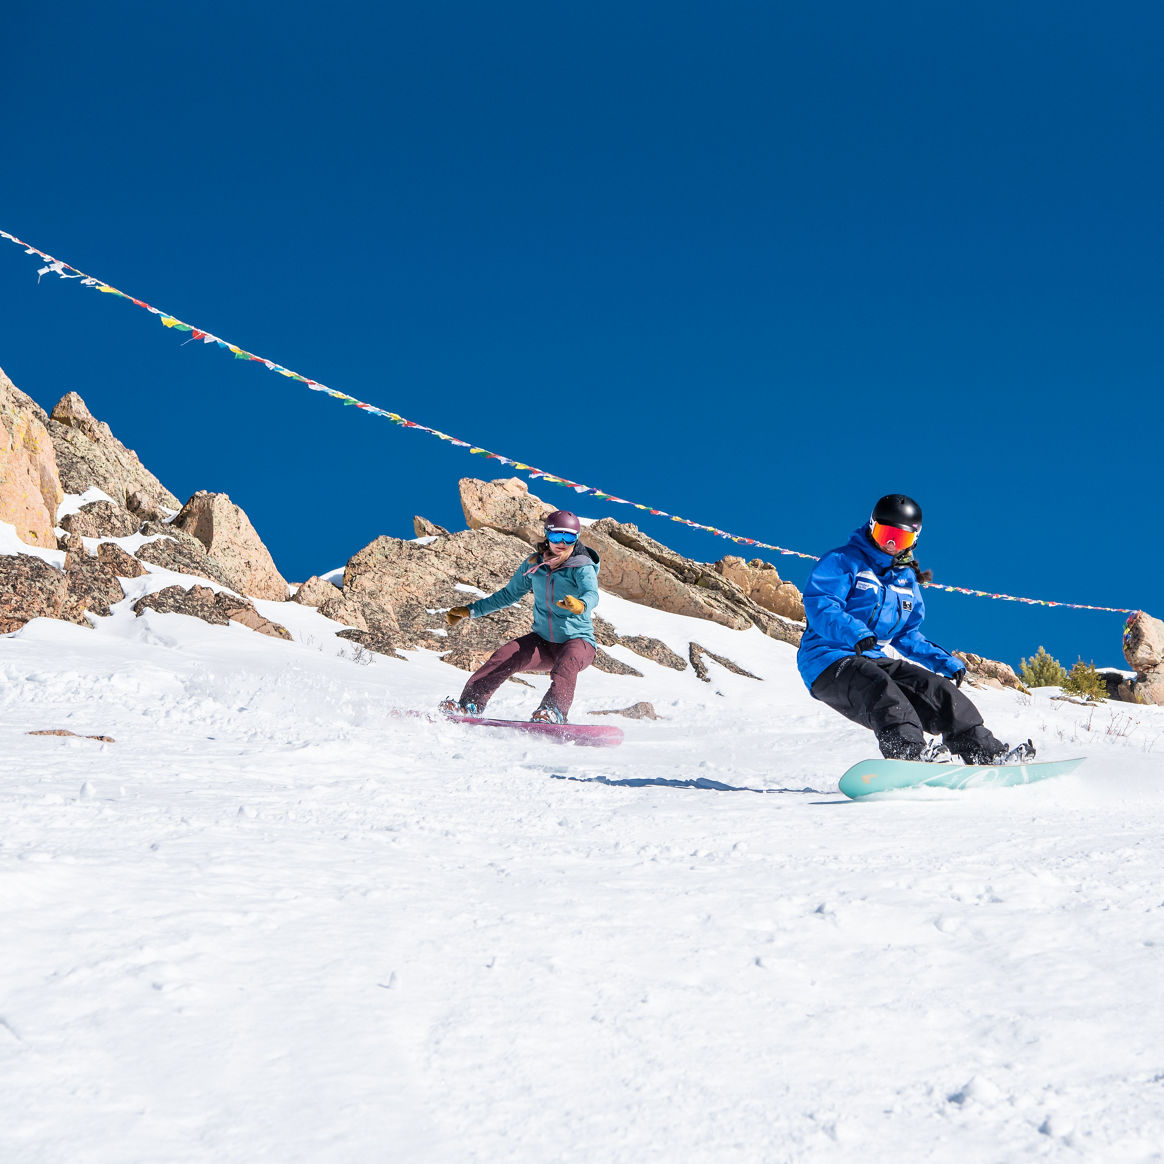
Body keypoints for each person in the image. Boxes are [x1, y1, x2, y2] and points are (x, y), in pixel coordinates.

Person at [798, 494, 1035, 764]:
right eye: (885, 534)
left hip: (870, 658)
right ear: (871, 526)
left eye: (899, 539)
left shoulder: (905, 580)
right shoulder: (843, 561)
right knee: (881, 689)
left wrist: (943, 661)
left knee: (935, 689)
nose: (890, 545)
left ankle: (984, 751)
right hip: (826, 661)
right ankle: (908, 753)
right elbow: (822, 605)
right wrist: (856, 633)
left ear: (914, 540)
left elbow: (906, 634)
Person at [438, 510, 600, 724]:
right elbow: (508, 595)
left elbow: (591, 593)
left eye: (568, 537)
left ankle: (553, 712)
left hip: (578, 642)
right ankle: (470, 704)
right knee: (505, 655)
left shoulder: (582, 566)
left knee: (567, 663)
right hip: (543, 642)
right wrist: (470, 610)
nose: (561, 543)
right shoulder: (534, 565)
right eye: (556, 537)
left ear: (576, 539)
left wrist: (581, 605)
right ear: (547, 536)